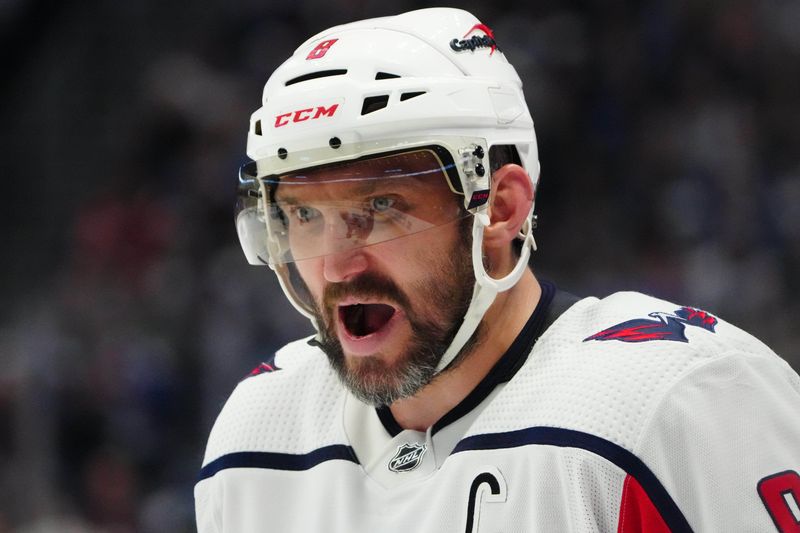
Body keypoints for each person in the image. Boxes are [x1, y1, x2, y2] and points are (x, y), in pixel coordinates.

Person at [195, 8, 800, 532]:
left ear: (501, 208)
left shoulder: (675, 402)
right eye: (304, 215)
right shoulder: (259, 435)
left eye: (378, 208)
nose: (335, 264)